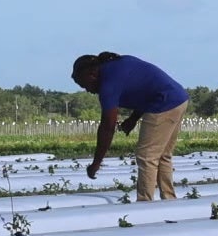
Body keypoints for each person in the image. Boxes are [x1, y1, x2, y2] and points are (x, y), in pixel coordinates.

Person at [71, 51, 189, 201]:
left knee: (147, 156)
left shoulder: (108, 84)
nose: (87, 90)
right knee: (163, 155)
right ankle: (169, 199)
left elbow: (107, 127)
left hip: (163, 103)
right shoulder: (117, 65)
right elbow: (146, 89)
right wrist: (133, 118)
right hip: (178, 98)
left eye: (84, 84)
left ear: (92, 74)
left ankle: (144, 203)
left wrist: (96, 163)